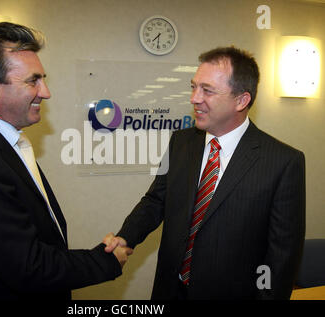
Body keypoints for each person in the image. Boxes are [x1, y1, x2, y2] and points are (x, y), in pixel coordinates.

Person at [0, 22, 132, 300]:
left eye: (43, 79)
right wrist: (105, 261)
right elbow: (27, 266)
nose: (46, 92)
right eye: (33, 81)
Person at [104, 46, 305, 300]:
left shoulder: (283, 162)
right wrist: (125, 237)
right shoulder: (181, 142)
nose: (194, 98)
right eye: (194, 86)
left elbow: (282, 256)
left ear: (241, 100)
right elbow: (157, 200)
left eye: (207, 90)